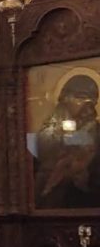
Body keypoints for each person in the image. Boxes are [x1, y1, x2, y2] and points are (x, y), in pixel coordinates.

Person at [34, 75, 100, 209]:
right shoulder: (48, 130)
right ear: (64, 97)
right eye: (81, 97)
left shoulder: (96, 131)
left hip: (84, 201)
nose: (88, 104)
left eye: (92, 100)